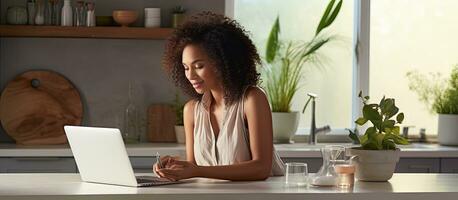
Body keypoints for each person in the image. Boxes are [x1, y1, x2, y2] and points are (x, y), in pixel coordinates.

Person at [155, 11, 284, 181]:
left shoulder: (251, 100)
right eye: (186, 68)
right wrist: (175, 167)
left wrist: (196, 171)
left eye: (198, 66)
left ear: (223, 62)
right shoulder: (191, 111)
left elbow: (261, 168)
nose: (191, 75)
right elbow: (195, 166)